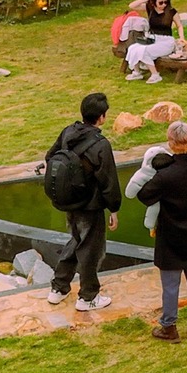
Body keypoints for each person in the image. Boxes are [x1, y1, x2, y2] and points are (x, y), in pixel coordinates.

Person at [137, 120, 187, 342]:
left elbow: (144, 195)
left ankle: (169, 327)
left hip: (171, 236)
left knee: (170, 285)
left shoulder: (165, 176)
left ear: (170, 143)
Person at [46, 92, 122, 313]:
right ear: (102, 117)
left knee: (76, 240)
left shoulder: (68, 131)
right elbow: (109, 181)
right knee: (90, 249)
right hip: (90, 205)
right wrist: (114, 209)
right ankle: (88, 297)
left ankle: (59, 288)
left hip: (69, 201)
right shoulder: (101, 144)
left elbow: (50, 157)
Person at [124, 0, 183, 83]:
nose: (163, 5)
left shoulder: (171, 12)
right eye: (161, 2)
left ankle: (155, 74)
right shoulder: (150, 9)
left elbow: (179, 26)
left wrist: (181, 38)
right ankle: (137, 72)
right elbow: (132, 6)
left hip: (166, 42)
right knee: (132, 48)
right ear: (154, 1)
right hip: (152, 39)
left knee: (144, 51)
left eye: (166, 2)